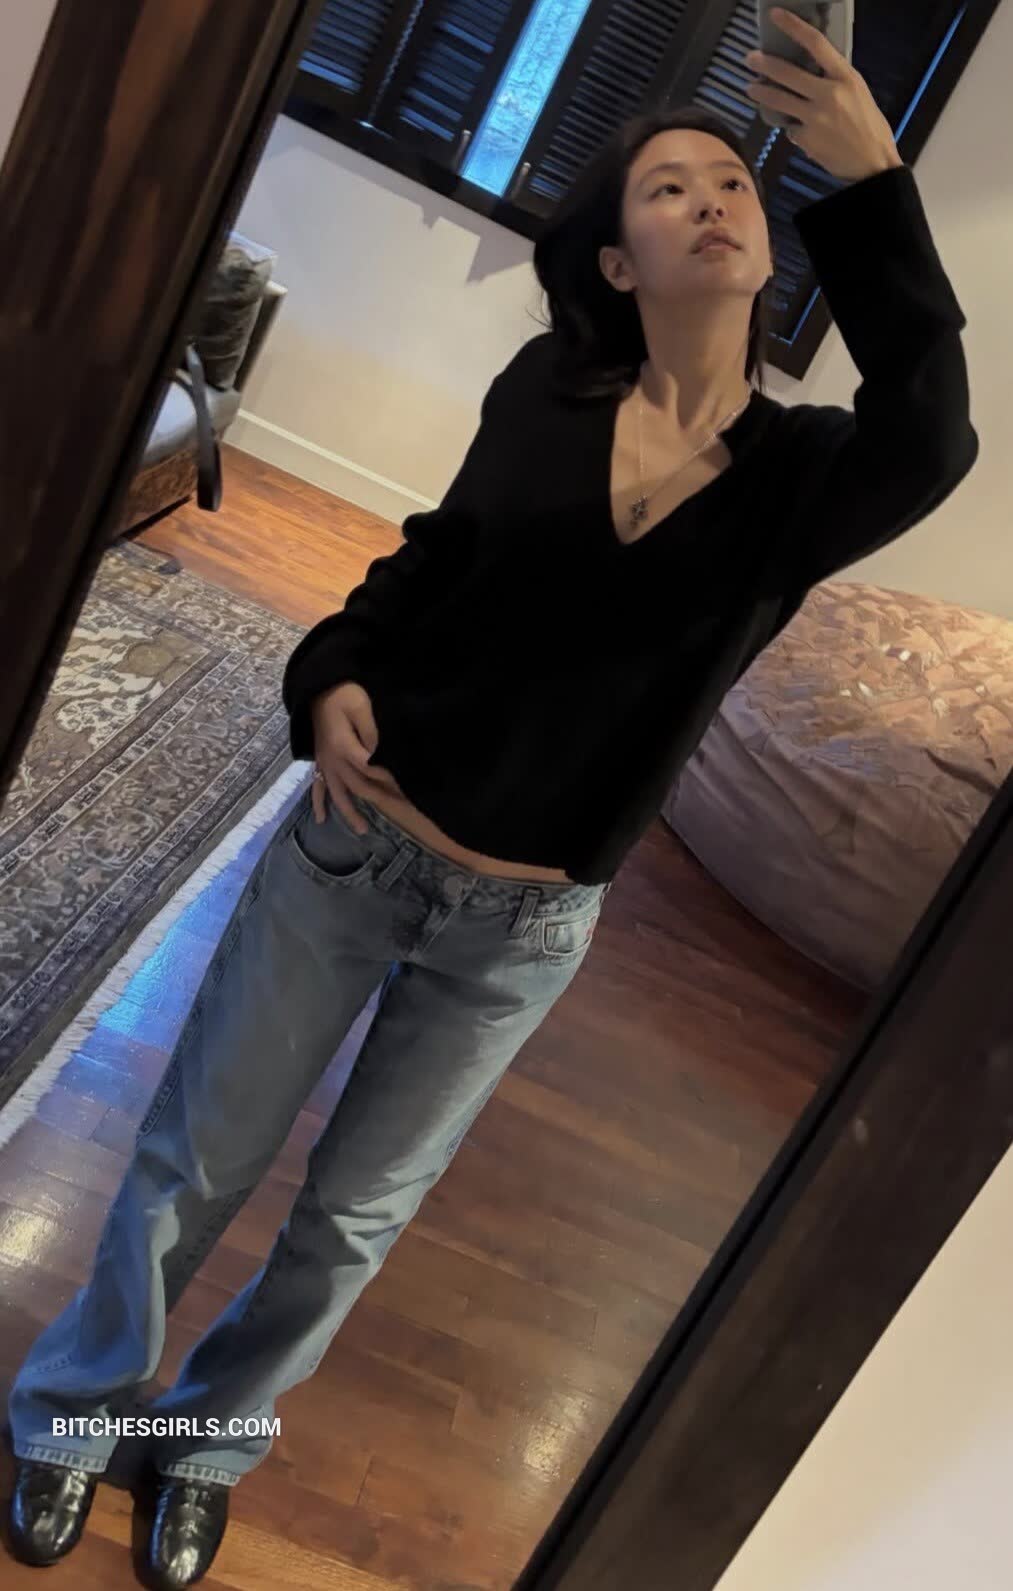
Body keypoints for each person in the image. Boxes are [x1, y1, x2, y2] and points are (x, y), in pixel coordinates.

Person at [6, 11, 977, 1588]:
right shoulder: (546, 391)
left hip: (519, 933)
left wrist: (869, 185)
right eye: (668, 186)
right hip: (355, 848)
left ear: (768, 243)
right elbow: (432, 560)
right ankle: (69, 1415)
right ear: (616, 261)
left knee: (347, 1230)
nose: (712, 199)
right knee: (192, 1167)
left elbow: (932, 430)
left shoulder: (803, 481)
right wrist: (329, 669)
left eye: (734, 181)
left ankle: (203, 1443)